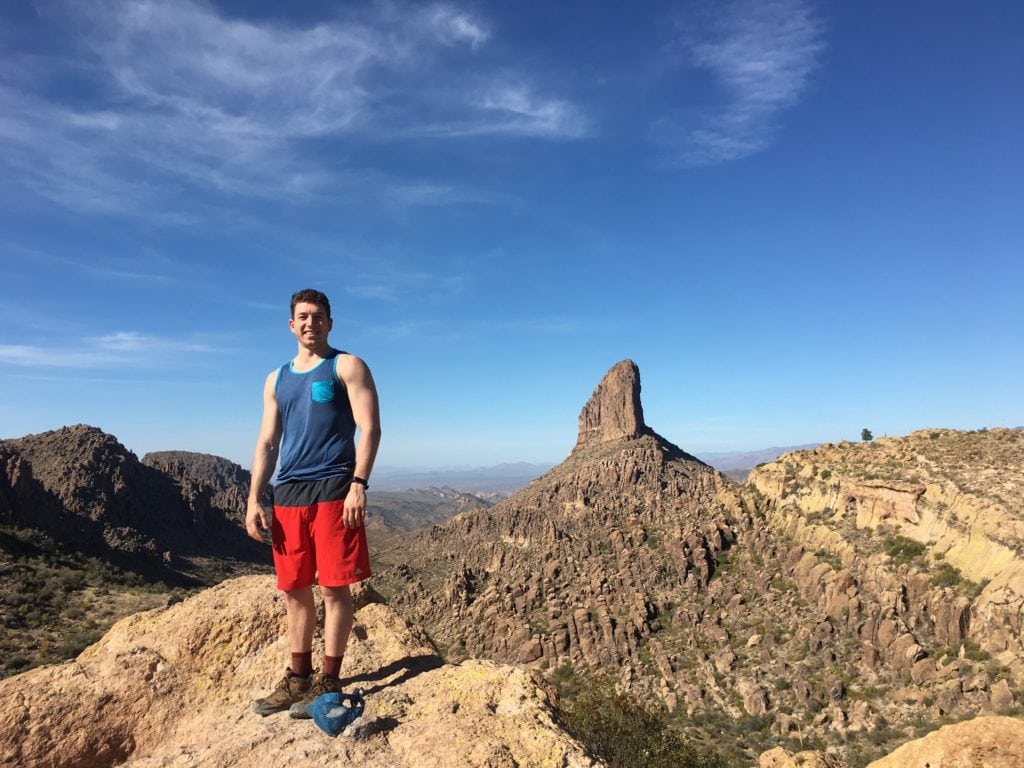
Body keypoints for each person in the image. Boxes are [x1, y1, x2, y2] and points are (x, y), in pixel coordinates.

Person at [245, 288, 381, 718]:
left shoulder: (346, 366)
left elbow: (370, 428)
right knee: (295, 589)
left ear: (329, 323)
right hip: (288, 493)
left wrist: (359, 483)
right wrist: (254, 497)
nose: (310, 323)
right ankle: (298, 678)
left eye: (318, 316)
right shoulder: (276, 378)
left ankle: (329, 680)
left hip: (334, 488)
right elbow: (268, 442)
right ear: (291, 324)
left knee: (334, 587)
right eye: (302, 316)